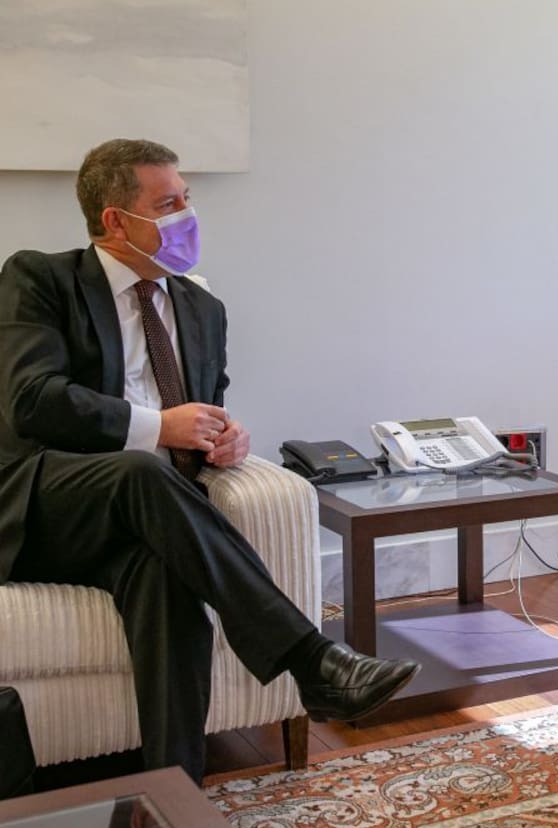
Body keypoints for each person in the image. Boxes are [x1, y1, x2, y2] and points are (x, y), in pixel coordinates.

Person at [0, 138, 422, 784]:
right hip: (46, 509)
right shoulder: (41, 279)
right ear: (115, 220)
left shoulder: (202, 310)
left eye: (186, 200)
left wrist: (228, 438)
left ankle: (172, 801)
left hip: (149, 517)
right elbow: (31, 401)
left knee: (166, 578)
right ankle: (311, 658)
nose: (186, 217)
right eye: (167, 205)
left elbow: (206, 410)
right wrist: (156, 427)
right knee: (140, 468)